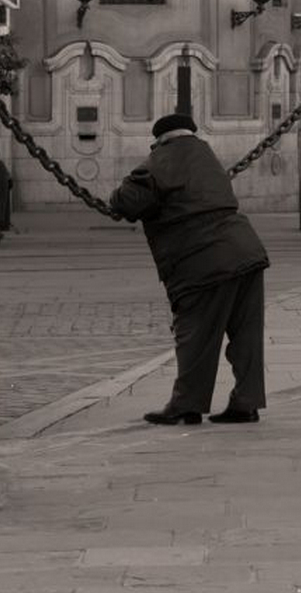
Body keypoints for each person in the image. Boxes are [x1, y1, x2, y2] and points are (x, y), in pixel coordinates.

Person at [108, 113, 269, 425]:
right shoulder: (206, 154)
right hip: (247, 251)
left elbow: (127, 200)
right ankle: (246, 402)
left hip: (202, 261)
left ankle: (186, 405)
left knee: (194, 333)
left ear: (160, 140)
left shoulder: (161, 160)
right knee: (247, 334)